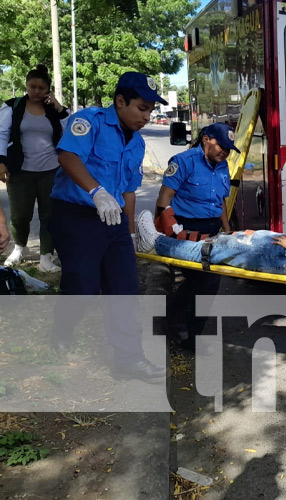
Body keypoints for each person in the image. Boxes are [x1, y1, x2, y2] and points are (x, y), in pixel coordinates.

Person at [49, 71, 168, 382]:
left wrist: (127, 234)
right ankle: (62, 328)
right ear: (120, 101)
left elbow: (129, 191)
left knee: (124, 287)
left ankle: (130, 358)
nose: (147, 116)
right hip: (76, 214)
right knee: (83, 287)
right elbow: (68, 156)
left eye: (151, 110)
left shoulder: (137, 144)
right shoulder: (92, 121)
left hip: (114, 221)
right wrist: (96, 191)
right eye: (142, 108)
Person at [154, 122, 238, 350]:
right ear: (206, 139)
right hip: (185, 229)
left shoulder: (222, 166)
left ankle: (192, 334)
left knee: (211, 283)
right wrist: (162, 233)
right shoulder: (184, 162)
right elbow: (164, 198)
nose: (225, 152)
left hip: (211, 231)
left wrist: (226, 229)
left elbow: (220, 200)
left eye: (229, 149)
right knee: (200, 281)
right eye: (222, 146)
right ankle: (176, 325)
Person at [136, 209, 286, 284]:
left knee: (212, 251)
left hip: (283, 255)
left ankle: (155, 242)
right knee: (220, 242)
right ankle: (160, 240)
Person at [0, 65, 69, 272]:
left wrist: (59, 107)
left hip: (51, 170)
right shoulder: (13, 106)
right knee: (20, 215)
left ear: (48, 88)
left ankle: (46, 257)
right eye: (33, 87)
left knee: (50, 214)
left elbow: (72, 130)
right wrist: (1, 161)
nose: (37, 92)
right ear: (27, 85)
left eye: (41, 88)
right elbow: (2, 133)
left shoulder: (54, 109)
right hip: (19, 171)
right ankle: (20, 247)